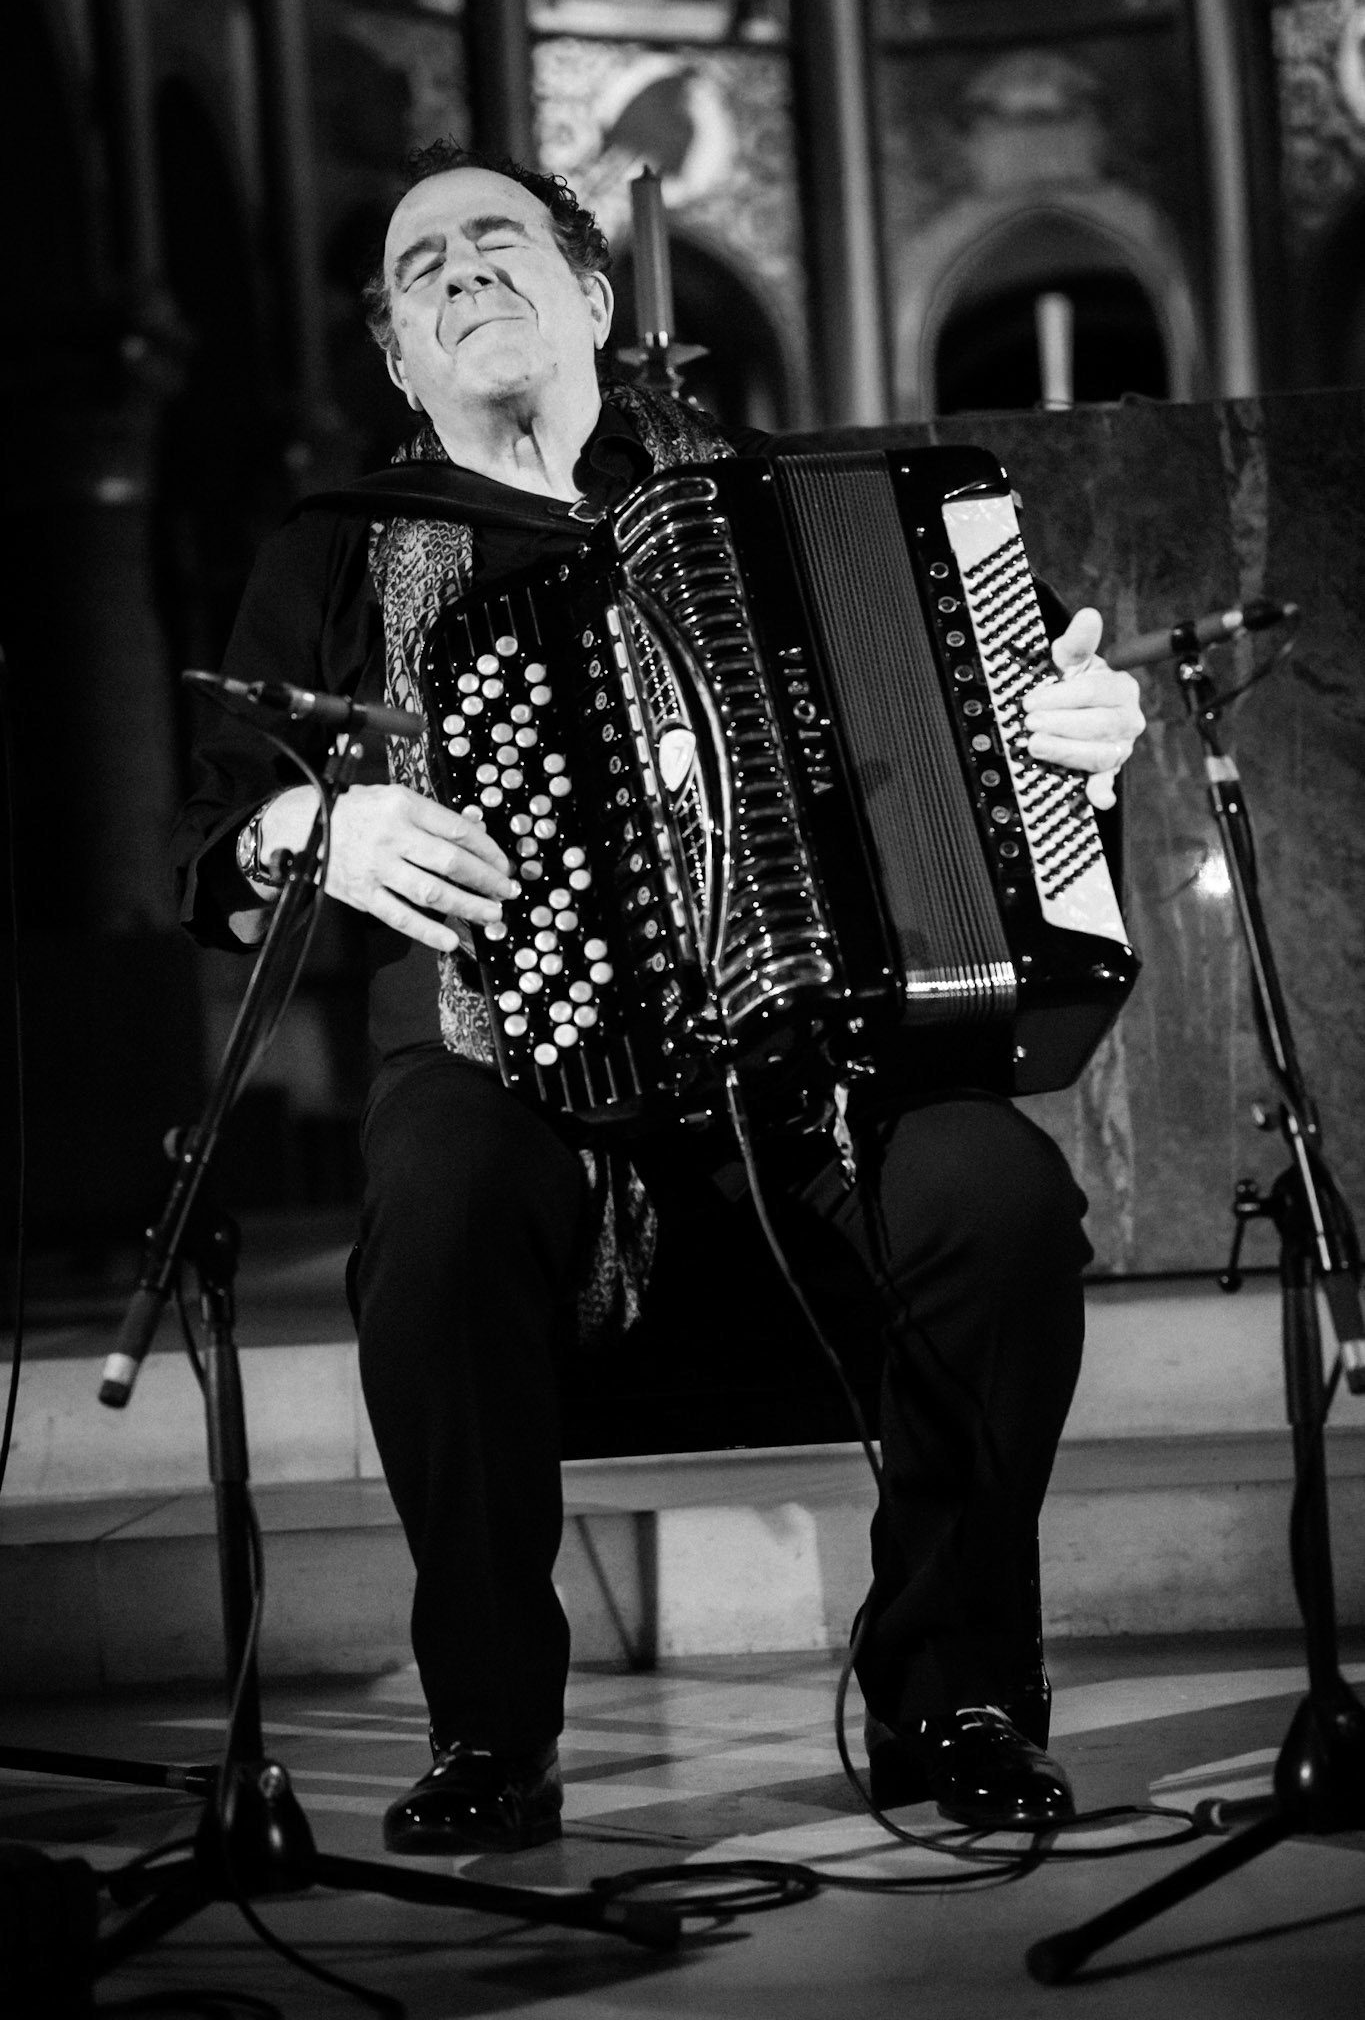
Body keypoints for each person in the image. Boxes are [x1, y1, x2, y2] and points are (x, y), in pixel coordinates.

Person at [173, 140, 1145, 1856]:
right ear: (399, 358)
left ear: (594, 299)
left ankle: (955, 1687)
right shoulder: (338, 554)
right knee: (440, 1192)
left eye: (497, 242)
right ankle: (489, 1725)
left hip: (812, 1059)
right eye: (421, 268)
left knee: (996, 1195)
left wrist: (1080, 742)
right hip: (509, 1066)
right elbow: (208, 836)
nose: (462, 272)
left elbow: (1008, 722)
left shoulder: (773, 502)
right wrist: (307, 823)